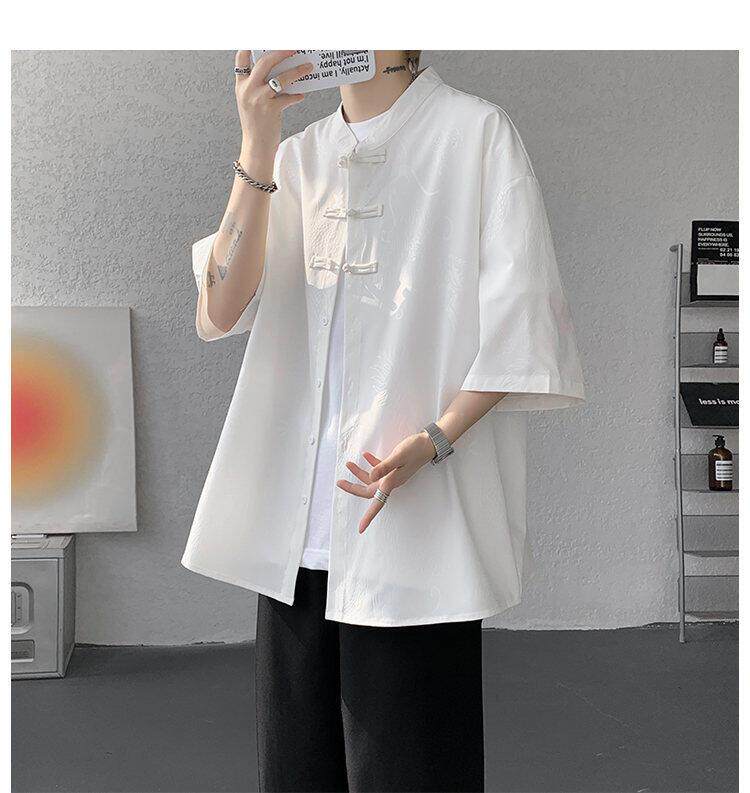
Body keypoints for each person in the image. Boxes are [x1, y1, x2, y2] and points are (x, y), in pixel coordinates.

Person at [182, 49, 585, 792]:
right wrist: (257, 141)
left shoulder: (475, 134)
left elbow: (522, 320)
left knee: (414, 770)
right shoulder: (297, 157)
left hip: (414, 527)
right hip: (296, 542)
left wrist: (437, 438)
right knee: (295, 774)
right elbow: (221, 306)